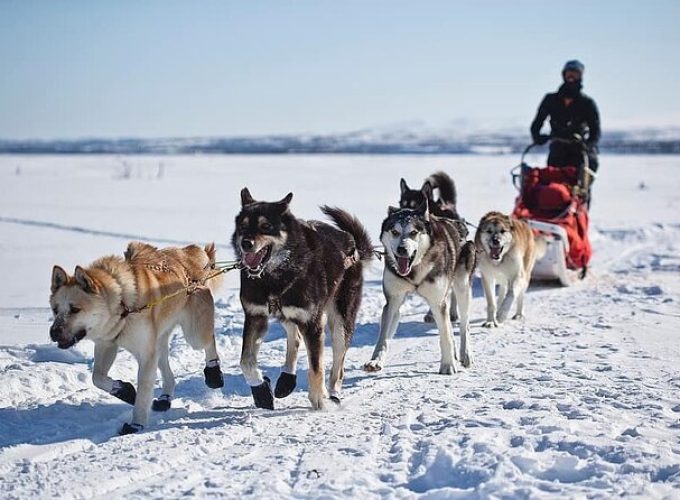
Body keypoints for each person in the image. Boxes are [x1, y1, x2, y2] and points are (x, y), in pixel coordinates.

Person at [531, 60, 600, 173]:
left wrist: (587, 145)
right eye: (569, 73)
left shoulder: (587, 103)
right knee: (553, 186)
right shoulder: (550, 100)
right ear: (563, 75)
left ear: (580, 76)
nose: (571, 76)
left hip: (579, 154)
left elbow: (595, 131)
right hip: (557, 152)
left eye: (575, 73)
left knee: (578, 187)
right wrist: (537, 137)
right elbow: (536, 124)